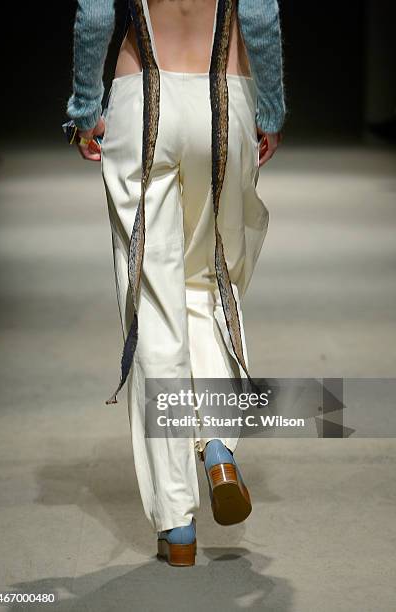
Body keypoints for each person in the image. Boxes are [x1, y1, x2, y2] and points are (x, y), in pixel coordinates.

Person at [66, 0, 286, 567]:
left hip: (144, 98)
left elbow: (94, 17)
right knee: (210, 283)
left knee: (154, 304)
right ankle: (216, 446)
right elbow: (259, 16)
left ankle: (178, 526)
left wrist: (85, 106)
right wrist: (272, 107)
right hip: (224, 98)